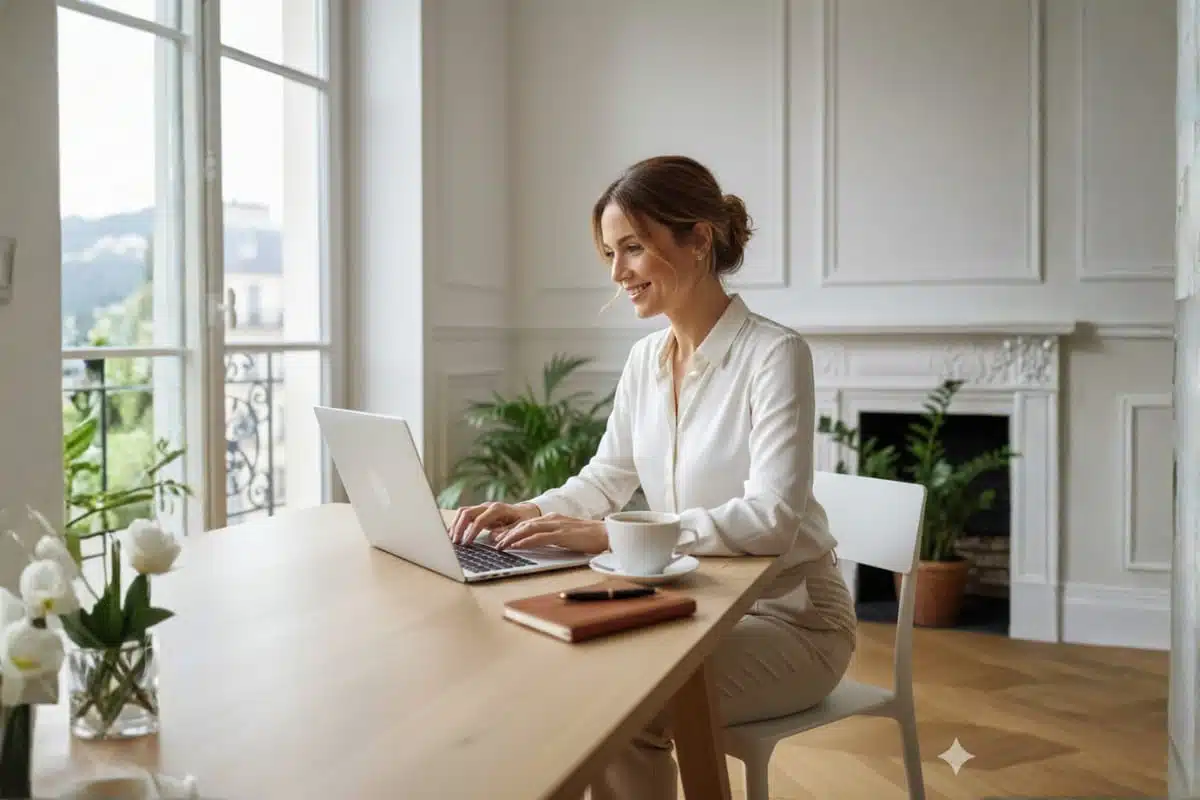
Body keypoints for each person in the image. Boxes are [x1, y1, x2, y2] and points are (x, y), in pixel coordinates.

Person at [448, 155, 856, 799]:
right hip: (693, 604)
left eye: (633, 248)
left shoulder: (775, 355)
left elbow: (773, 519)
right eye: (611, 253)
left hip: (793, 620)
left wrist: (611, 537)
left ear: (699, 238)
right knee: (579, 684)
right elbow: (604, 476)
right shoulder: (645, 359)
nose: (617, 273)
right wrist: (527, 511)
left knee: (623, 707)